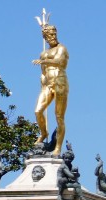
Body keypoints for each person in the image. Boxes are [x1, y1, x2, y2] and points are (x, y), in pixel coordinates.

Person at [31, 22, 69, 156]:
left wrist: (43, 61)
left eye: (54, 34)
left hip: (60, 82)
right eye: (50, 35)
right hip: (47, 85)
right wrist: (42, 81)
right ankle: (44, 133)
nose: (53, 37)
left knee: (59, 116)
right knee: (38, 111)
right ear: (45, 38)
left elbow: (60, 62)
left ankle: (57, 147)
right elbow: (43, 71)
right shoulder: (43, 54)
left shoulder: (61, 48)